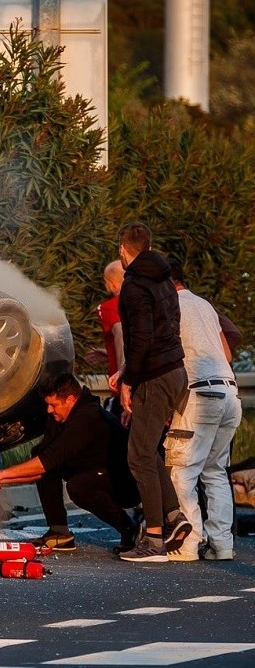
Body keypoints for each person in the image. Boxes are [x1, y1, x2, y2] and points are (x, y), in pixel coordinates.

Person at [0, 374, 139, 553]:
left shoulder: (88, 416)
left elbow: (48, 461)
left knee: (78, 487)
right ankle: (59, 532)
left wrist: (0, 474)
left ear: (71, 399)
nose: (49, 410)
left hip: (125, 482)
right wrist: (0, 479)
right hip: (94, 470)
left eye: (54, 405)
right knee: (39, 453)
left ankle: (130, 528)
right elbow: (44, 463)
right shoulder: (60, 416)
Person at [109, 222, 191, 563]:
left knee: (138, 454)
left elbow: (140, 339)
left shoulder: (133, 286)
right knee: (146, 448)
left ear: (123, 251)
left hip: (155, 376)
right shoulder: (165, 278)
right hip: (175, 370)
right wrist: (128, 371)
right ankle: (173, 516)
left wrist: (130, 380)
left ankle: (155, 540)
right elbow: (166, 328)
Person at [163, 259, 242, 561]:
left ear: (168, 284)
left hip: (201, 393)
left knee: (183, 470)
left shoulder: (171, 307)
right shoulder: (205, 305)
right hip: (229, 391)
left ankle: (188, 544)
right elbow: (227, 352)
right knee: (215, 472)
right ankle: (222, 545)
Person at [94, 260, 127, 417]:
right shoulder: (145, 302)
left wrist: (123, 376)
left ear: (112, 284)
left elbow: (121, 335)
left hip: (125, 385)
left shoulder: (108, 307)